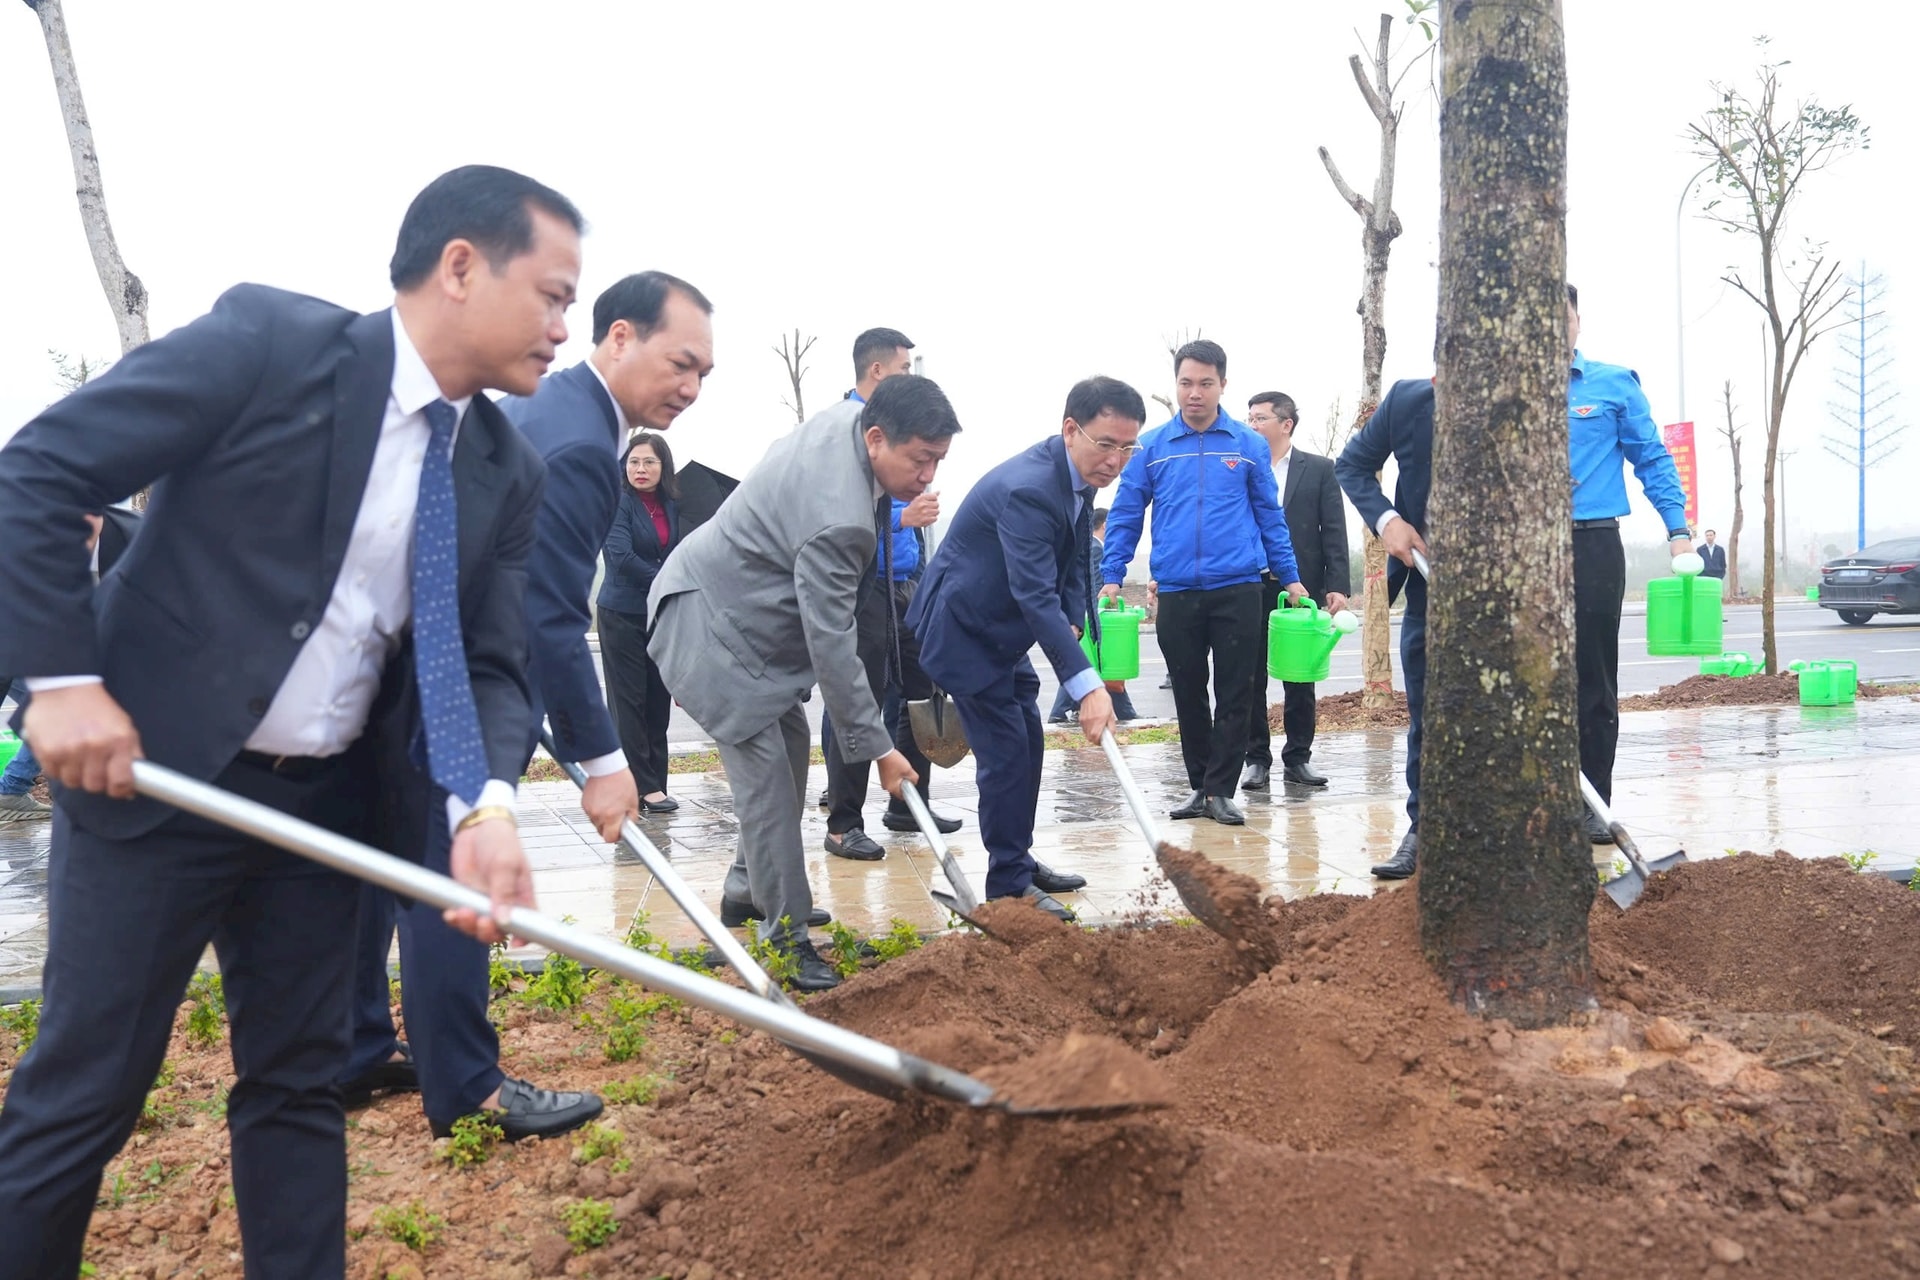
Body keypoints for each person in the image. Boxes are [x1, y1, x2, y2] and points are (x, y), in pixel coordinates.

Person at [0, 163, 566, 1279]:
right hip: (154, 783)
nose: (563, 325)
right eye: (550, 293)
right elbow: (37, 470)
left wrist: (488, 799)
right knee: (86, 1091)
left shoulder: (504, 468)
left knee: (300, 1086)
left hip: (322, 812)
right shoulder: (270, 346)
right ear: (460, 265)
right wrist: (58, 679)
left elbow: (493, 664)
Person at [338, 272, 714, 1144]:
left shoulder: (559, 417)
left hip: (399, 664)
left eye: (706, 375)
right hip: (451, 685)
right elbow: (545, 616)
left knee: (385, 861)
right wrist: (606, 761)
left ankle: (353, 1045)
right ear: (619, 337)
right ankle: (466, 1085)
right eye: (680, 363)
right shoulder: (581, 442)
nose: (691, 389)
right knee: (452, 873)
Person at [648, 374, 959, 988]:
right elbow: (833, 642)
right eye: (920, 460)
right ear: (876, 438)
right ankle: (786, 942)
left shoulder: (842, 425)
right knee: (769, 787)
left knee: (788, 767)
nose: (928, 477)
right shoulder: (839, 519)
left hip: (739, 623)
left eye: (938, 461)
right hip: (709, 629)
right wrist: (880, 749)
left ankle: (747, 890)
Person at [910, 377, 1146, 918]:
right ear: (1071, 430)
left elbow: (1066, 563)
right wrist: (1086, 684)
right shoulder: (1030, 488)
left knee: (1029, 746)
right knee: (1006, 755)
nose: (1116, 460)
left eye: (1128, 448)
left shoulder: (1079, 478)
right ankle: (1008, 888)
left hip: (1003, 630)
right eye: (1106, 444)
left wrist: (1076, 625)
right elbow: (1033, 592)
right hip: (965, 630)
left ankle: (1016, 856)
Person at [1100, 340, 1305, 826]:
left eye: (1205, 383)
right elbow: (1127, 513)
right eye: (1186, 383)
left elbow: (1270, 518)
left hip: (1238, 587)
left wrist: (1292, 579)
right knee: (1188, 690)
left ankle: (1221, 790)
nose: (1195, 393)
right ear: (1177, 384)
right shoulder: (1150, 447)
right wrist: (1112, 576)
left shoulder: (1247, 444)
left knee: (1236, 690)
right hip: (1176, 591)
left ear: (1222, 385)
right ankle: (1198, 786)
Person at [1566, 283, 1692, 843]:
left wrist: (1679, 531)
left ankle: (1595, 802)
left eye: (1562, 316)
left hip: (1591, 545)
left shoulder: (1612, 384)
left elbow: (1652, 457)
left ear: (1576, 321)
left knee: (1592, 678)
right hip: (1521, 551)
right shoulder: (1504, 386)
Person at [821, 328, 949, 862]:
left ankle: (908, 799)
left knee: (921, 681)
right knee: (860, 692)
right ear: (876, 372)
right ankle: (843, 821)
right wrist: (904, 518)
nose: (908, 379)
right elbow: (840, 514)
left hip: (904, 580)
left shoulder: (902, 427)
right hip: (859, 582)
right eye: (902, 370)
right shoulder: (842, 431)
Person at [1335, 378, 1433, 879]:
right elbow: (1351, 465)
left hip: (1514, 593)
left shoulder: (1534, 393)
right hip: (1430, 585)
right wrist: (1388, 520)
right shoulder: (1410, 399)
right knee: (1428, 714)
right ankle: (1423, 830)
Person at [1241, 392, 1350, 791]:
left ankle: (1298, 758)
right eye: (1249, 418)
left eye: (1260, 419)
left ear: (1285, 424)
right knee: (1250, 675)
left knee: (1300, 678)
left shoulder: (1319, 469)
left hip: (1301, 589)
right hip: (1250, 585)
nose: (1251, 425)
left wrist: (1336, 585)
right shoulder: (1242, 466)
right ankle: (1256, 758)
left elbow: (1333, 530)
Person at [600, 431, 685, 815]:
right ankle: (640, 787)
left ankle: (656, 782)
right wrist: (667, 576)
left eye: (649, 461)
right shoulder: (617, 502)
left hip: (660, 615)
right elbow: (619, 555)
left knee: (657, 699)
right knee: (628, 701)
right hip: (622, 613)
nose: (640, 468)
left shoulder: (674, 505)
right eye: (634, 461)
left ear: (663, 466)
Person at [1048, 509, 1140, 725]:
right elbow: (1095, 586)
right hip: (1091, 616)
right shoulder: (1096, 549)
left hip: (1084, 614)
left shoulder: (1088, 546)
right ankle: (1059, 711)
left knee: (1097, 664)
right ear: (1106, 525)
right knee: (1095, 663)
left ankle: (1122, 710)